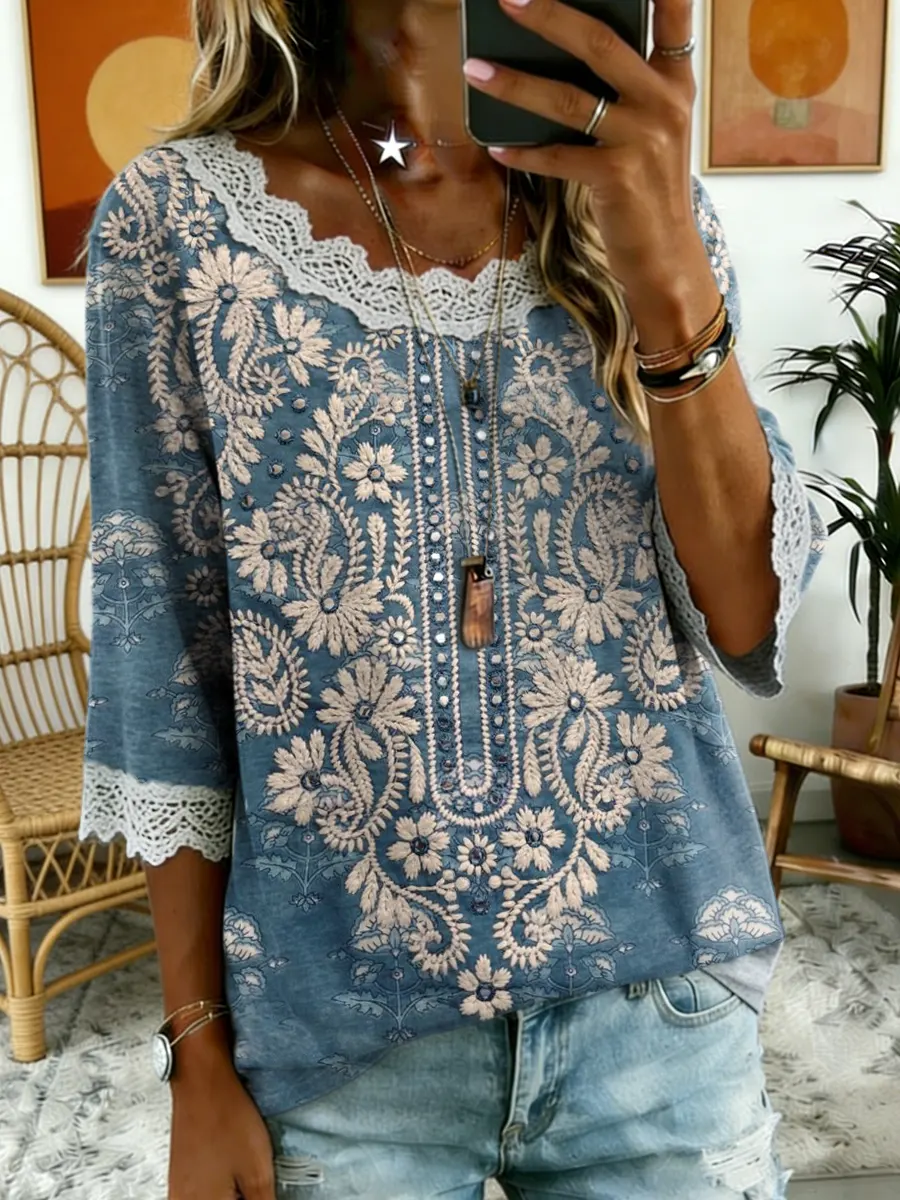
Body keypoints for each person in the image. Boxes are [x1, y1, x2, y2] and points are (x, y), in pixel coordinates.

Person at [80, 1, 824, 1197]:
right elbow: (161, 661)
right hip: (341, 1048)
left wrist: (669, 264)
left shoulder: (637, 192)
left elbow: (742, 622)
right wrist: (195, 1054)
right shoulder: (176, 222)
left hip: (662, 1012)